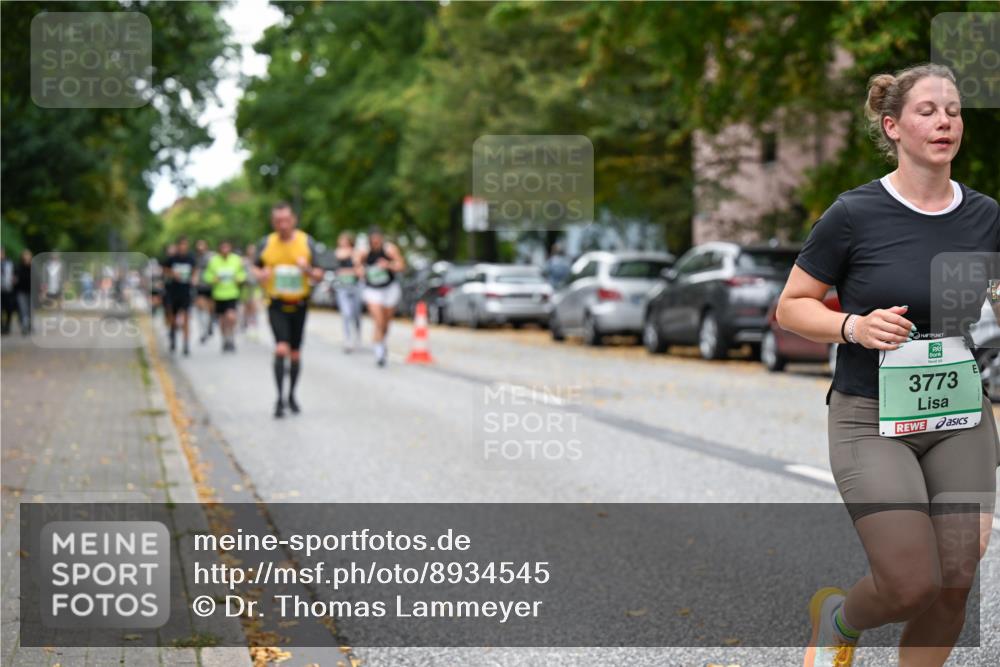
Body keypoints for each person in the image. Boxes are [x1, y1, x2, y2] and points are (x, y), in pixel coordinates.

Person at [776, 65, 999, 667]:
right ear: (893, 126)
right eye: (927, 110)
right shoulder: (854, 214)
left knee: (954, 579)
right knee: (909, 583)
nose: (945, 120)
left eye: (953, 110)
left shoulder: (985, 216)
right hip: (869, 416)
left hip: (958, 411)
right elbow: (791, 306)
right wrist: (855, 326)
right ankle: (839, 620)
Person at [253, 202, 323, 417]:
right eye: (278, 221)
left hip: (299, 304)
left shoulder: (306, 242)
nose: (282, 225)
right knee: (281, 348)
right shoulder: (266, 243)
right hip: (276, 304)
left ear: (293, 220)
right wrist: (260, 275)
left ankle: (291, 395)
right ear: (273, 223)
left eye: (286, 220)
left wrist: (308, 269)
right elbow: (254, 266)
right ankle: (279, 399)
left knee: (295, 353)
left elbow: (319, 274)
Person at [356, 226, 405, 367]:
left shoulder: (389, 249)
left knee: (386, 323)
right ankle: (379, 352)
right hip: (372, 290)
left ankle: (381, 341)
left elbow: (401, 265)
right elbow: (357, 266)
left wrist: (388, 265)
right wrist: (360, 271)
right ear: (370, 240)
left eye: (378, 240)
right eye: (374, 241)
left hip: (389, 288)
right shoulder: (364, 252)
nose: (376, 243)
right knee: (378, 320)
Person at [203, 239, 246, 352]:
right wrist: (213, 279)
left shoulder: (236, 259)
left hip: (232, 293)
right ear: (220, 249)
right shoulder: (214, 261)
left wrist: (239, 279)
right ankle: (224, 339)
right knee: (222, 319)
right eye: (223, 248)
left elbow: (242, 273)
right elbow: (206, 276)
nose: (225, 250)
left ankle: (231, 337)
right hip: (219, 294)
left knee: (231, 317)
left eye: (227, 248)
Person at [163, 237, 196, 355]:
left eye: (185, 245)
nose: (183, 247)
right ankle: (173, 335)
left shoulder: (190, 259)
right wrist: (173, 274)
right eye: (181, 245)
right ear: (178, 246)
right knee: (173, 317)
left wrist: (193, 279)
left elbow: (195, 271)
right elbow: (164, 269)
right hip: (173, 292)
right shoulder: (172, 259)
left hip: (186, 292)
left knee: (186, 318)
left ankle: (186, 344)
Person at [333, 231, 362, 352]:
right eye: (341, 241)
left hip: (354, 286)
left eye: (345, 241)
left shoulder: (356, 253)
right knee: (346, 313)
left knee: (355, 314)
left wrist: (349, 270)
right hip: (342, 287)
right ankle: (347, 339)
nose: (343, 243)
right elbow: (334, 269)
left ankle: (357, 334)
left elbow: (359, 270)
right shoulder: (336, 253)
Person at [194, 239, 215, 344]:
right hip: (200, 287)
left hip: (211, 286)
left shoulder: (212, 257)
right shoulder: (195, 258)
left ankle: (210, 324)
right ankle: (204, 331)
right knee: (201, 308)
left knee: (211, 309)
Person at [240, 242, 262, 340]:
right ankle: (246, 326)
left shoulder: (258, 261)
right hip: (246, 287)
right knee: (247, 308)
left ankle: (254, 328)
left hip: (256, 287)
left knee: (255, 307)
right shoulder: (243, 261)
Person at [14, 249, 32, 334]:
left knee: (29, 310)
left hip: (31, 292)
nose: (26, 257)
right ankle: (24, 325)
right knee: (23, 309)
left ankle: (29, 325)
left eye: (28, 255)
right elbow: (14, 278)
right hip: (21, 292)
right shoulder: (18, 267)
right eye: (25, 255)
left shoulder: (33, 266)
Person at [0, 248, 15, 335]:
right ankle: (1, 327)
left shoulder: (10, 263)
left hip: (8, 290)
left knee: (9, 309)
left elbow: (16, 273)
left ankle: (7, 326)